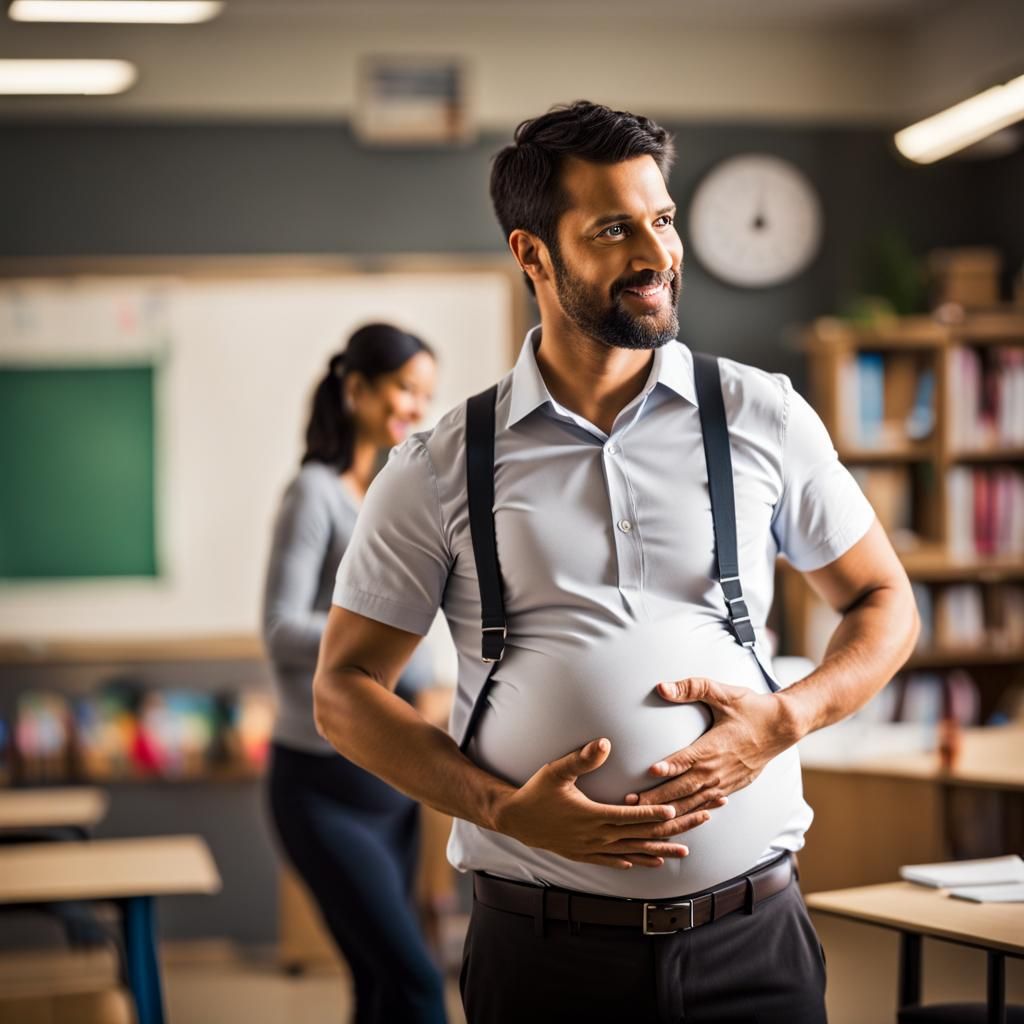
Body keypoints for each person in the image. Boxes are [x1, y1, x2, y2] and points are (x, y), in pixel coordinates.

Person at [312, 103, 920, 1023]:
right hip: (544, 953)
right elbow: (344, 690)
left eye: (663, 219)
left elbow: (885, 601)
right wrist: (499, 807)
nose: (656, 252)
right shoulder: (439, 464)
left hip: (754, 940)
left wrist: (782, 722)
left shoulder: (762, 414)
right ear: (532, 255)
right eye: (613, 229)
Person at [262, 323, 447, 1024]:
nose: (414, 408)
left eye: (425, 395)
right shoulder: (314, 493)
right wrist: (385, 639)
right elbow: (280, 629)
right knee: (419, 983)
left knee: (377, 987)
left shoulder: (384, 494)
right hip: (320, 788)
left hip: (390, 782)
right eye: (404, 388)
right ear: (357, 389)